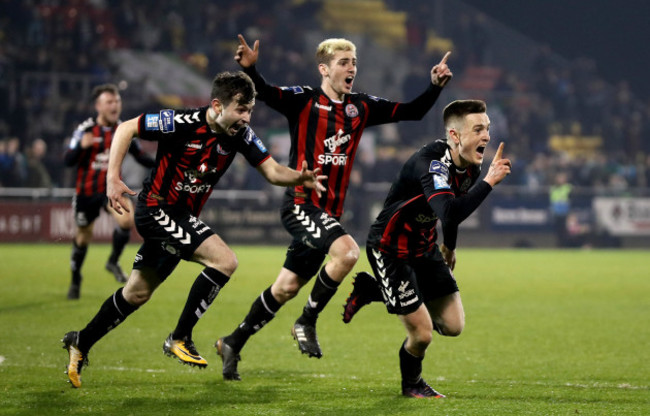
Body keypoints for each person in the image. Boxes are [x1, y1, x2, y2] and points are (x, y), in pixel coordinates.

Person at [61, 71, 326, 388]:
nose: (246, 117)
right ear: (217, 105)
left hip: (178, 217)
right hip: (156, 208)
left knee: (137, 293)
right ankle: (180, 337)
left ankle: (81, 341)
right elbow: (126, 128)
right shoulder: (179, 122)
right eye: (241, 109)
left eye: (250, 110)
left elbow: (270, 170)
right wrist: (112, 178)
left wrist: (299, 177)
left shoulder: (240, 135)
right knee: (225, 261)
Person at [214, 34, 452, 381]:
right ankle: (307, 320)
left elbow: (411, 112)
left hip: (328, 215)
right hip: (301, 205)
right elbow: (266, 92)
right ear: (324, 69)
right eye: (343, 62)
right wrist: (253, 69)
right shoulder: (303, 101)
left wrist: (434, 86)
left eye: (353, 62)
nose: (351, 68)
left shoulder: (361, 107)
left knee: (285, 288)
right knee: (347, 253)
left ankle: (233, 341)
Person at [342, 100, 512, 398]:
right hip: (390, 248)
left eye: (488, 129)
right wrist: (489, 183)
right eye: (478, 129)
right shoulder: (432, 163)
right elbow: (448, 212)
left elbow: (454, 206)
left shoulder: (470, 165)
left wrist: (449, 245)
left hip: (424, 247)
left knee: (454, 325)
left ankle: (376, 290)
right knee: (422, 333)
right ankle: (412, 385)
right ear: (455, 135)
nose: (486, 136)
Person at [63, 84, 155, 299]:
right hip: (86, 192)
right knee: (83, 237)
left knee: (126, 221)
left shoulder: (124, 129)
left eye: (117, 102)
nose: (115, 106)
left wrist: (163, 162)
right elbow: (68, 160)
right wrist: (80, 147)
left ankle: (112, 261)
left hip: (111, 189)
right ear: (98, 106)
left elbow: (140, 156)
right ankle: (76, 279)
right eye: (110, 102)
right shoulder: (85, 130)